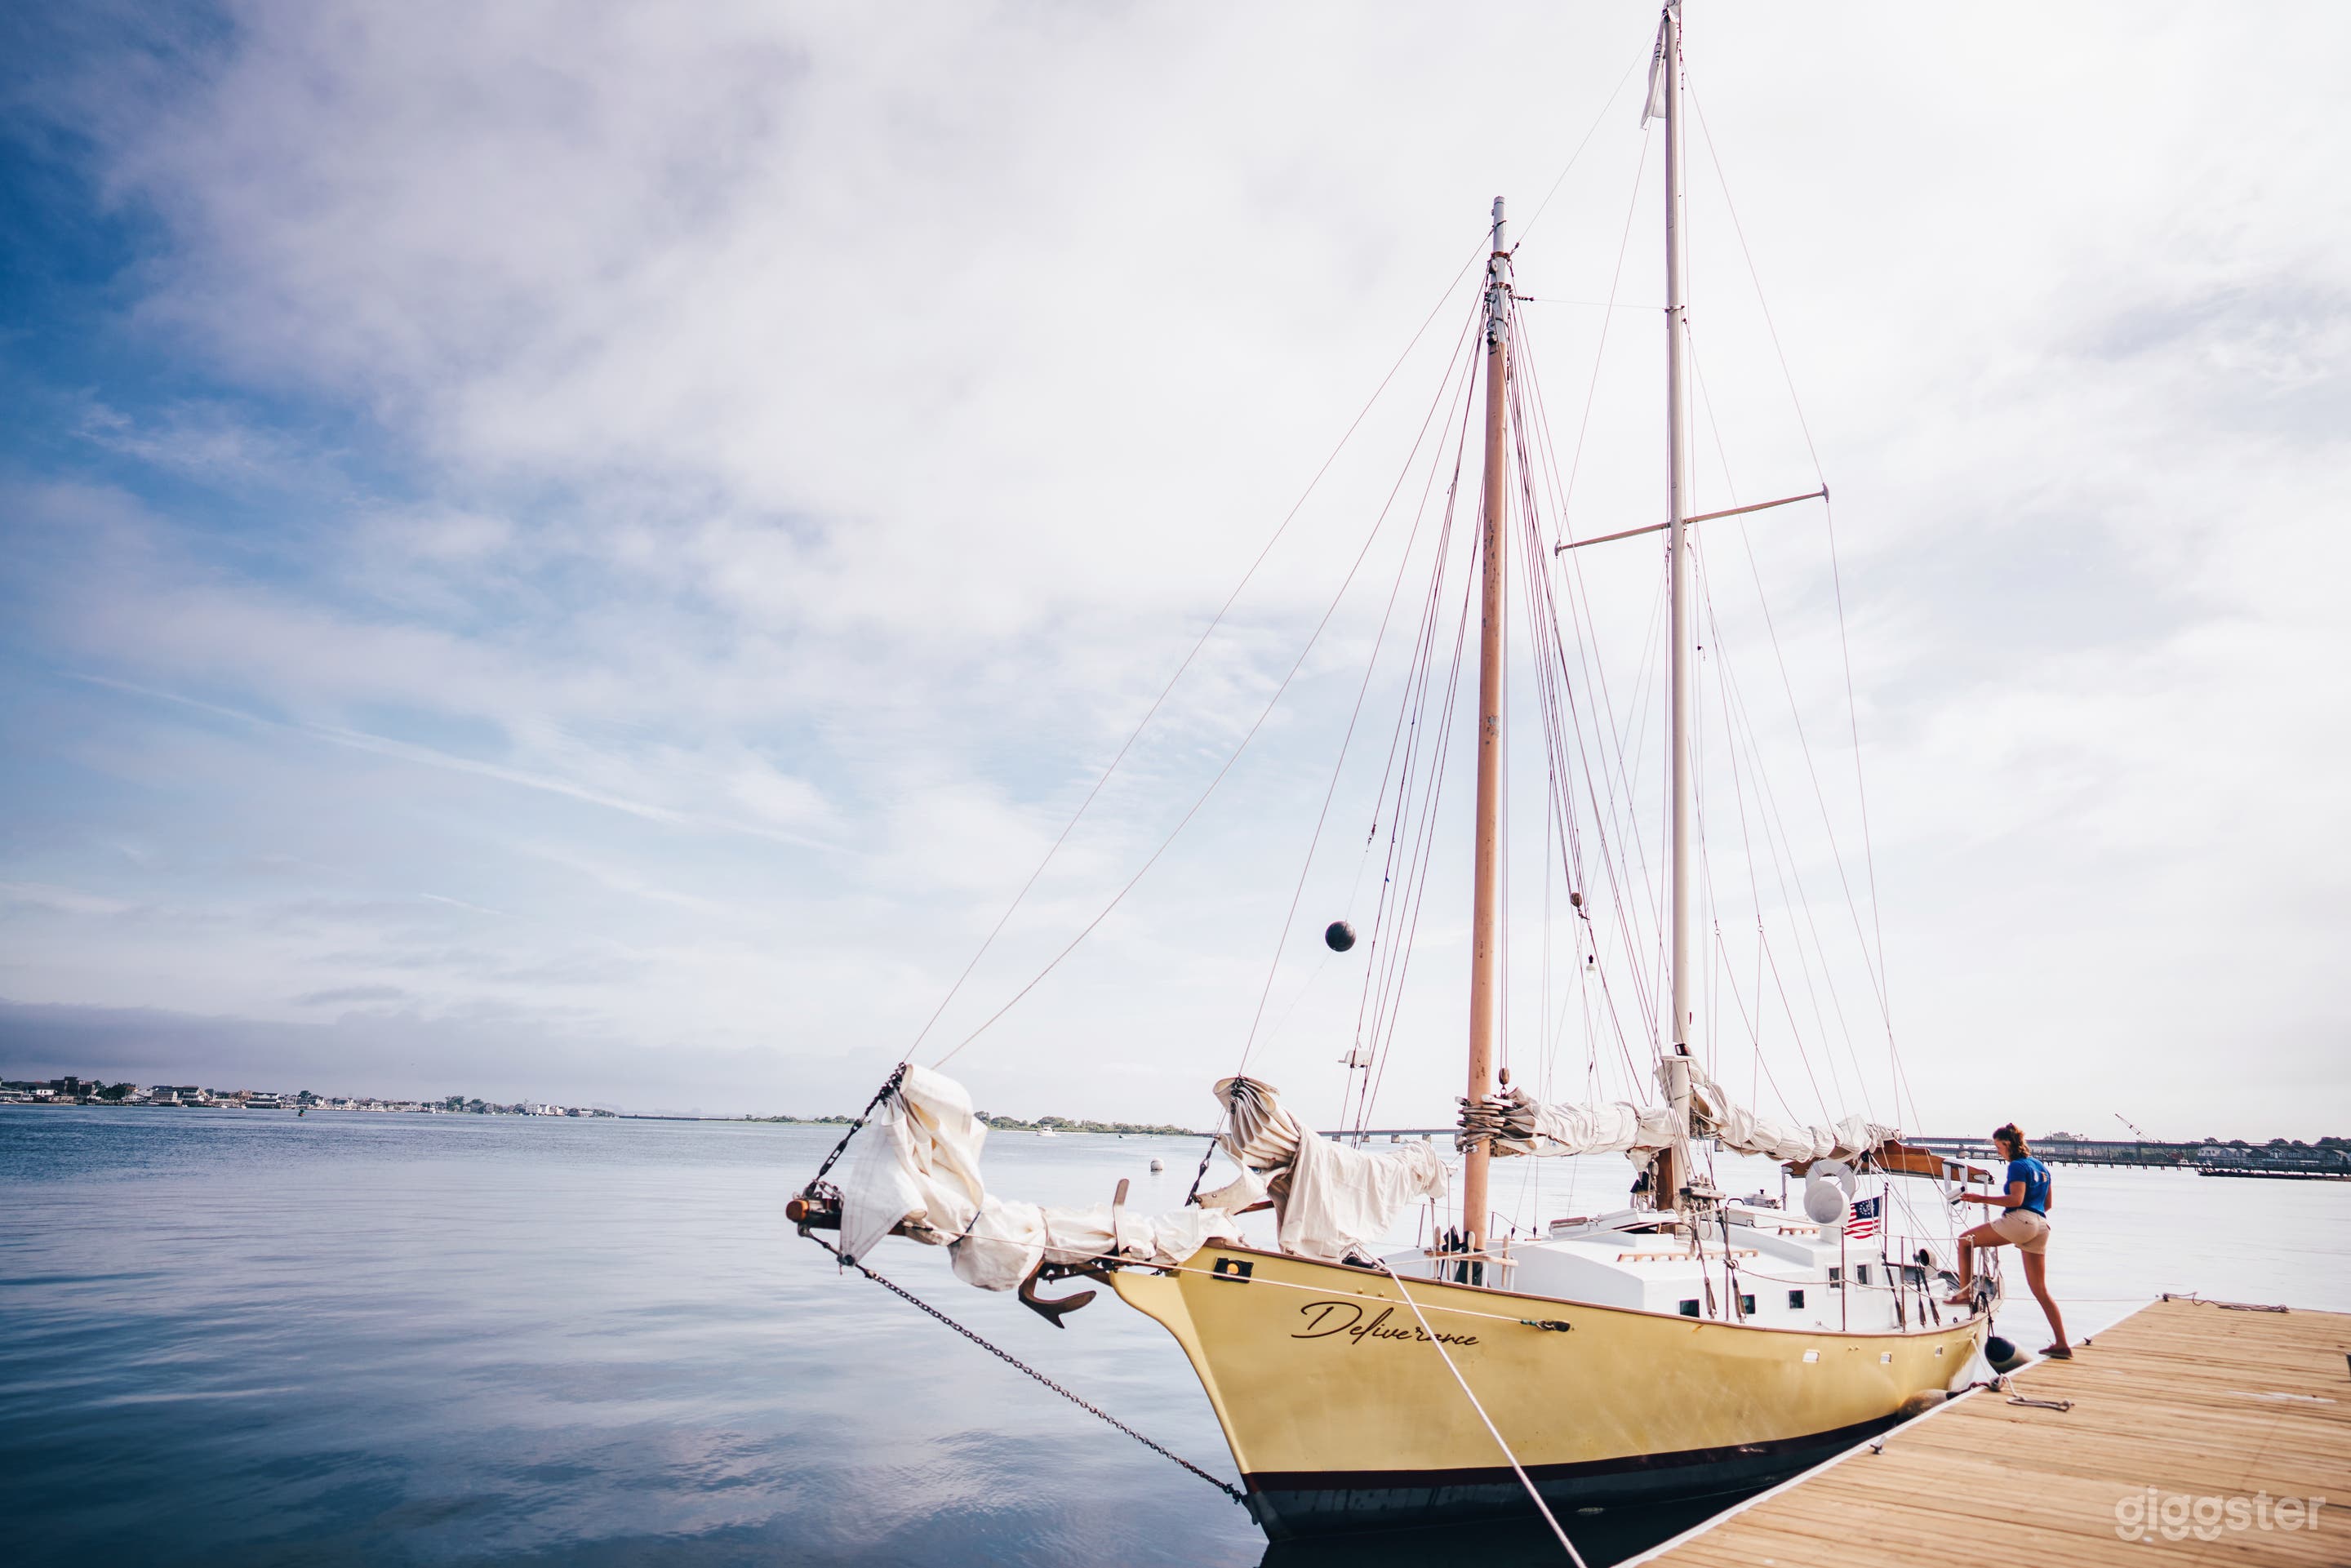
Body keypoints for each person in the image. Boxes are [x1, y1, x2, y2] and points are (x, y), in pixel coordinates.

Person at [1945, 1123, 2070, 1359]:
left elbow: (2016, 1199)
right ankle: (2062, 1343)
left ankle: (1963, 1294)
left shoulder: (2017, 1166)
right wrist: (2031, 1216)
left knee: (1965, 1241)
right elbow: (2048, 1205)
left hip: (2021, 1221)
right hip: (2041, 1225)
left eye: (1998, 1147)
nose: (1998, 1151)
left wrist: (1980, 1197)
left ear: (2008, 1144)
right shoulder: (2040, 1166)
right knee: (2041, 1290)